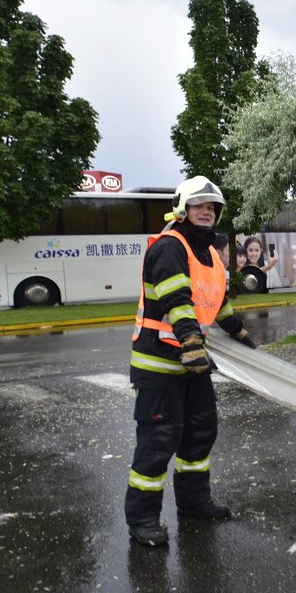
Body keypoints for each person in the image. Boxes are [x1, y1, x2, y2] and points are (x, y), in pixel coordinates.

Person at [125, 175, 258, 547]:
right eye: (200, 205)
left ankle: (194, 502)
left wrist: (239, 332)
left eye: (212, 207)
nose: (207, 212)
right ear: (183, 208)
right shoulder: (170, 246)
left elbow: (217, 301)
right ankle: (142, 520)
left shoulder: (210, 253)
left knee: (201, 432)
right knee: (157, 442)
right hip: (160, 364)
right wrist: (189, 340)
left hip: (194, 364)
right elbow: (176, 299)